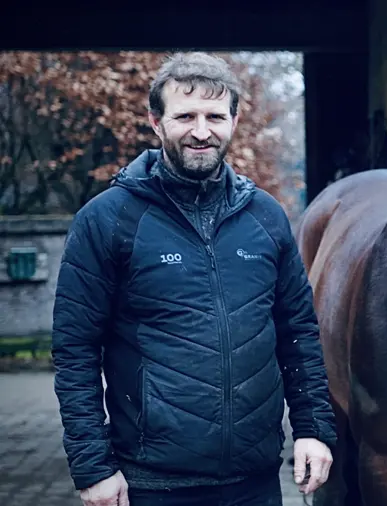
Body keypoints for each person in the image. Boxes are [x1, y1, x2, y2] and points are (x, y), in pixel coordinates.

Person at [51, 52, 337, 506]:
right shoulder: (107, 219)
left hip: (256, 481)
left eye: (214, 117)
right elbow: (75, 351)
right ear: (156, 122)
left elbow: (297, 331)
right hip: (153, 483)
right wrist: (93, 467)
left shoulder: (265, 217)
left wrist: (313, 429)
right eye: (185, 116)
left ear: (234, 121)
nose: (201, 132)